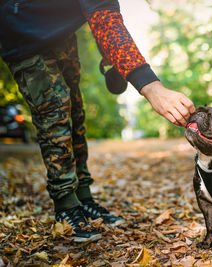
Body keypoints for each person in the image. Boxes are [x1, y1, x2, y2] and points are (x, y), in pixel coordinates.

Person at [0, 0, 195, 242]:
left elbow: (103, 15)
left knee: (75, 112)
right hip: (21, 33)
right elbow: (106, 20)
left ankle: (83, 198)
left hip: (60, 34)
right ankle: (66, 207)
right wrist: (151, 87)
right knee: (55, 111)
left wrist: (111, 58)